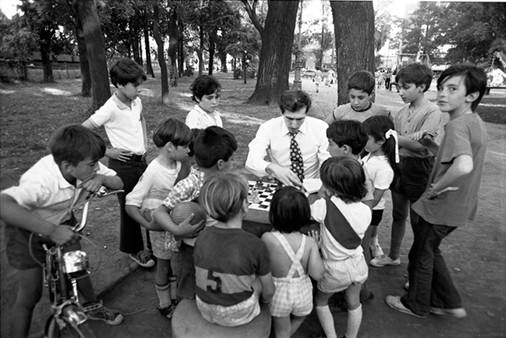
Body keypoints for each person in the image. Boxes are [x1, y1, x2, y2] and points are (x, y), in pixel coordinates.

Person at [0, 124, 125, 338]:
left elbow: (118, 181)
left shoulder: (86, 165)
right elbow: (4, 203)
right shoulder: (42, 181)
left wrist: (101, 178)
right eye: (93, 165)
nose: (97, 168)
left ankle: (92, 306)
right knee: (29, 296)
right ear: (68, 167)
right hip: (27, 232)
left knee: (77, 264)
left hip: (63, 222)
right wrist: (51, 230)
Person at [385, 65, 488, 318]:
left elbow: (463, 164)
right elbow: (454, 155)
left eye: (453, 89)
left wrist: (435, 188)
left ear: (471, 96)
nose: (443, 94)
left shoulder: (458, 125)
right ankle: (447, 301)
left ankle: (417, 304)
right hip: (459, 204)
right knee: (429, 249)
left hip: (443, 205)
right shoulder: (472, 121)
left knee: (421, 253)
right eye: (442, 87)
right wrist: (431, 144)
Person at [82, 57, 154, 268]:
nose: (139, 89)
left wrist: (144, 141)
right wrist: (107, 151)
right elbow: (83, 130)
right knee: (130, 207)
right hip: (123, 166)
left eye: (140, 84)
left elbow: (141, 119)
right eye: (135, 85)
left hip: (142, 162)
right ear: (120, 84)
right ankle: (135, 250)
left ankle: (155, 245)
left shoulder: (136, 101)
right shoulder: (109, 108)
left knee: (149, 203)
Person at [153, 126, 238, 301]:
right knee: (190, 284)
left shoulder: (222, 181)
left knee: (211, 282)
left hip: (215, 245)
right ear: (221, 164)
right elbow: (160, 212)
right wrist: (177, 231)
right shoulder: (189, 184)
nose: (234, 163)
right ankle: (187, 315)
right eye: (233, 159)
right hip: (191, 249)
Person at [371, 63, 442, 268]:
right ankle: (393, 256)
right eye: (398, 87)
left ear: (422, 86)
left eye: (406, 87)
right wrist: (400, 139)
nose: (400, 92)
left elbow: (420, 147)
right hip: (400, 165)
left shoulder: (432, 112)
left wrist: (394, 137)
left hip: (420, 169)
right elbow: (402, 143)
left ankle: (418, 269)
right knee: (398, 214)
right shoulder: (401, 112)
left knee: (418, 221)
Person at [125, 118, 193, 319]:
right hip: (160, 229)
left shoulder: (180, 163)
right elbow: (131, 202)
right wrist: (147, 224)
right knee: (163, 265)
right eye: (186, 146)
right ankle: (164, 303)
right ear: (170, 147)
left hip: (175, 225)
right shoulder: (154, 170)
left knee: (175, 263)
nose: (189, 150)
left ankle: (174, 297)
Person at [194, 171, 275, 327]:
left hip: (203, 306)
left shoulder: (202, 236)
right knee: (259, 280)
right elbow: (269, 291)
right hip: (238, 312)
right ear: (245, 205)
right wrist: (264, 299)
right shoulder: (255, 244)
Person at [311, 157, 372, 338]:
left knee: (321, 301)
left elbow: (310, 210)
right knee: (354, 303)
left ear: (330, 187)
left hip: (334, 268)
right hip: (358, 263)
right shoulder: (365, 210)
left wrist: (321, 194)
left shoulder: (324, 206)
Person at [261, 186, 324, 338]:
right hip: (302, 293)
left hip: (278, 293)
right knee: (300, 317)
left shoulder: (268, 238)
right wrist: (317, 247)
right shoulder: (309, 242)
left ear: (274, 213)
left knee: (281, 329)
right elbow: (318, 274)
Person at [245, 89, 330, 188]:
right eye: (289, 118)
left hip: (312, 187)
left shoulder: (320, 128)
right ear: (281, 112)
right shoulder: (268, 127)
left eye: (300, 119)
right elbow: (251, 161)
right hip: (281, 186)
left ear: (307, 112)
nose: (294, 125)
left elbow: (327, 162)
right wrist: (271, 168)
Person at [361, 116, 399, 260]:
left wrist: (362, 209)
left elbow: (376, 198)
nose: (362, 140)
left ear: (381, 140)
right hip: (362, 206)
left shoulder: (384, 168)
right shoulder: (369, 155)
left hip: (370, 210)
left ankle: (362, 277)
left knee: (363, 245)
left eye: (367, 138)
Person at [324, 70, 391, 125]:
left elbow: (394, 135)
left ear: (371, 94)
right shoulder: (340, 111)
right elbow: (323, 127)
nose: (356, 102)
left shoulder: (381, 112)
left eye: (361, 98)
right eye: (352, 97)